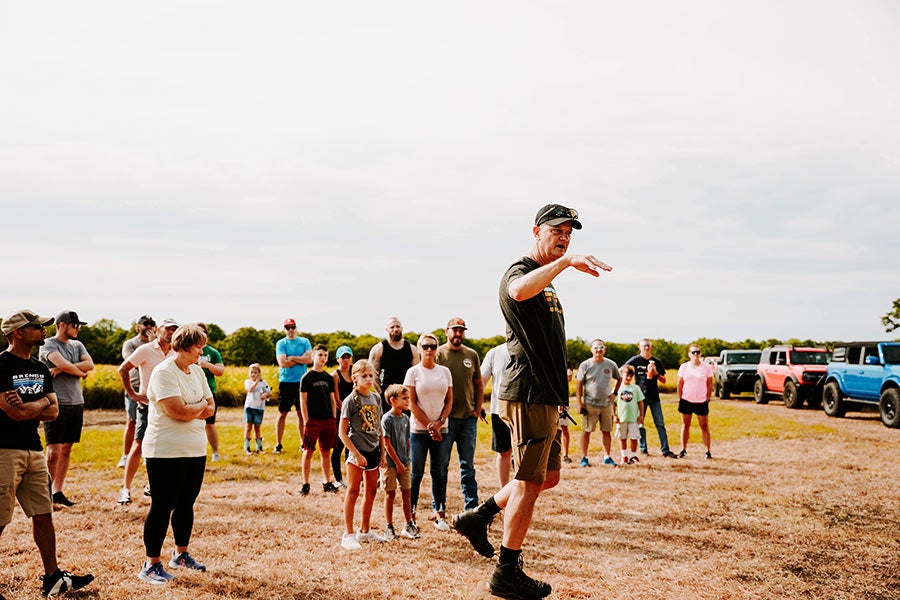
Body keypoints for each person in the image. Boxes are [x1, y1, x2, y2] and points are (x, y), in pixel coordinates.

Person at [452, 203, 611, 599]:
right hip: (528, 393)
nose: (564, 237)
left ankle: (481, 515)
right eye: (557, 230)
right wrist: (568, 262)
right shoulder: (520, 271)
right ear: (536, 231)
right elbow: (518, 290)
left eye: (569, 233)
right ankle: (507, 570)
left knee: (548, 477)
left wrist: (559, 398)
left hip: (547, 396)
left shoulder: (548, 280)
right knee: (527, 481)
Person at [0, 310, 96, 598]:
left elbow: (52, 412)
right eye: (36, 327)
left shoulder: (40, 367)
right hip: (4, 450)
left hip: (33, 449)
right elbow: (13, 413)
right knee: (0, 520)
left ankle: (52, 577)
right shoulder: (1, 365)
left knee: (44, 515)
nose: (44, 330)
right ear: (17, 333)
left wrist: (34, 403)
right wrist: (39, 404)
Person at [137, 324, 215, 585]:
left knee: (186, 503)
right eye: (197, 346)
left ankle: (180, 554)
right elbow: (177, 411)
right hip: (165, 451)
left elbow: (211, 406)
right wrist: (198, 407)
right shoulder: (163, 373)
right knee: (162, 505)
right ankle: (151, 564)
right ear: (182, 346)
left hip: (195, 448)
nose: (201, 351)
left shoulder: (197, 371)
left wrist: (196, 407)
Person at [117, 319, 177, 506]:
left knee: (164, 447)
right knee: (139, 444)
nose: (171, 333)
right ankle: (125, 489)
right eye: (168, 329)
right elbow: (123, 369)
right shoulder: (145, 349)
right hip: (147, 404)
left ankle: (152, 484)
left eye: (175, 330)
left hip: (168, 406)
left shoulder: (177, 352)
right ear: (159, 330)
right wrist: (132, 393)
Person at [39, 310, 93, 508]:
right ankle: (44, 494)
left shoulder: (78, 345)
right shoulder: (48, 344)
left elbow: (91, 364)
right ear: (62, 325)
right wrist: (78, 371)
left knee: (67, 448)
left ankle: (57, 491)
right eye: (75, 325)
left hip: (75, 402)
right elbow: (62, 362)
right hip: (55, 403)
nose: (78, 329)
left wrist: (63, 369)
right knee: (53, 451)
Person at [404, 332, 453, 533]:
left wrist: (439, 423)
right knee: (416, 473)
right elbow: (411, 403)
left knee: (439, 471)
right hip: (418, 430)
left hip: (442, 427)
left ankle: (439, 512)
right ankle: (411, 515)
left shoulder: (445, 371)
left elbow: (449, 400)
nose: (429, 350)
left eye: (433, 346)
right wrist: (429, 425)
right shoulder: (413, 372)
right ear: (419, 348)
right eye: (425, 346)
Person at [436, 317, 483, 512]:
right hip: (446, 420)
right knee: (441, 466)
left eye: (461, 330)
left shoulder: (471, 355)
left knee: (468, 466)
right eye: (454, 330)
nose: (458, 334)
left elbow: (478, 383)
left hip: (468, 419)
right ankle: (439, 507)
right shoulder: (438, 354)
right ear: (447, 331)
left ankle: (471, 507)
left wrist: (478, 407)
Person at [338, 360, 385, 550]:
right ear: (354, 378)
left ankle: (364, 531)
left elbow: (379, 428)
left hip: (374, 451)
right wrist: (356, 454)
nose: (368, 379)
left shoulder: (376, 398)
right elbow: (342, 433)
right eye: (364, 376)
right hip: (357, 453)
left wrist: (382, 453)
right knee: (353, 491)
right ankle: (348, 534)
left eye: (370, 375)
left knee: (371, 491)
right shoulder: (350, 401)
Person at [625, 339, 679, 458]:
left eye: (648, 346)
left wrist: (655, 374)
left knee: (660, 423)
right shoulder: (635, 360)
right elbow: (623, 370)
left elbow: (664, 380)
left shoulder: (656, 361)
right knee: (640, 423)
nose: (646, 348)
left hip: (654, 397)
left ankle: (665, 450)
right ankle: (643, 449)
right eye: (644, 346)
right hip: (640, 398)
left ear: (651, 347)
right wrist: (629, 385)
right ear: (640, 347)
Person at [300, 345, 339, 495]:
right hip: (313, 420)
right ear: (313, 357)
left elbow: (332, 399)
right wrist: (306, 420)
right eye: (320, 355)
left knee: (326, 452)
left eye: (325, 355)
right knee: (308, 451)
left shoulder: (328, 378)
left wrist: (334, 418)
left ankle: (327, 481)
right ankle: (305, 483)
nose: (322, 358)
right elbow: (303, 401)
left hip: (328, 419)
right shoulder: (307, 378)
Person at [576, 339, 622, 467]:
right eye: (596, 348)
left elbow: (619, 378)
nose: (598, 350)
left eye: (601, 347)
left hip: (606, 404)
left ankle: (607, 456)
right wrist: (580, 403)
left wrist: (615, 393)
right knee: (587, 431)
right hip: (590, 404)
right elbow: (579, 384)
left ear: (604, 349)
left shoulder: (610, 364)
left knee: (606, 431)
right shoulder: (585, 365)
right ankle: (584, 457)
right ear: (591, 350)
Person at [118, 315, 156, 468]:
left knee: (152, 424)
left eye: (151, 324)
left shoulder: (158, 343)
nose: (148, 326)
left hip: (152, 390)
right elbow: (131, 362)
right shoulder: (131, 344)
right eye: (145, 324)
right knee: (132, 422)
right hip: (134, 387)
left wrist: (153, 343)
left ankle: (147, 454)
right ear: (138, 326)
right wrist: (150, 345)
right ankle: (126, 455)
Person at [381, 384, 417, 540]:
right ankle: (389, 526)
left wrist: (407, 459)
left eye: (408, 398)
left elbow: (407, 440)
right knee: (390, 493)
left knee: (406, 492)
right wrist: (397, 463)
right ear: (393, 400)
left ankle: (408, 523)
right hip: (391, 464)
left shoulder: (406, 418)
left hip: (405, 462)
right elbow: (387, 444)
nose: (408, 401)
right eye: (404, 398)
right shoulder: (387, 419)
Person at [274, 318, 312, 454]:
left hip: (302, 381)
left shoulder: (304, 341)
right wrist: (300, 359)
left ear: (296, 327)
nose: (290, 330)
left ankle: (303, 443)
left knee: (301, 413)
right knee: (282, 412)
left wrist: (291, 358)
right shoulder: (281, 343)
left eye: (292, 327)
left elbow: (310, 359)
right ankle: (278, 443)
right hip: (286, 381)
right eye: (288, 327)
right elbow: (282, 363)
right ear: (284, 329)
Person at [368, 317, 420, 412]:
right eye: (392, 327)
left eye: (397, 326)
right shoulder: (378, 349)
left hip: (407, 397)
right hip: (387, 398)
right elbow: (373, 374)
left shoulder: (413, 350)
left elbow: (417, 375)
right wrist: (381, 394)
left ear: (402, 328)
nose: (395, 329)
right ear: (387, 329)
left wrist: (412, 397)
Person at [481, 342, 513, 487]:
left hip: (525, 410)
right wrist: (479, 403)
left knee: (523, 453)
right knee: (503, 452)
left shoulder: (530, 347)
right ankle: (503, 489)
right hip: (499, 410)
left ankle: (520, 490)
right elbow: (482, 380)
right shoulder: (495, 353)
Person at [677, 345, 714, 459]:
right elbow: (679, 383)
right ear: (689, 354)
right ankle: (683, 449)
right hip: (686, 400)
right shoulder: (684, 367)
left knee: (704, 426)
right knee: (685, 425)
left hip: (701, 401)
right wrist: (681, 397)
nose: (695, 355)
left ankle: (707, 451)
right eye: (693, 352)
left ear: (700, 354)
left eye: (697, 352)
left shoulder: (706, 367)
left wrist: (707, 397)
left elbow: (709, 383)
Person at [196, 323, 225, 462]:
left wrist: (208, 365)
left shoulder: (212, 352)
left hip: (209, 391)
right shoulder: (187, 350)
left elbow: (220, 371)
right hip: (192, 392)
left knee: (210, 423)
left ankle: (215, 452)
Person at [330, 345, 355, 488]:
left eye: (348, 357)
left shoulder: (354, 373)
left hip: (354, 413)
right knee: (339, 446)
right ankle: (338, 478)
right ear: (338, 359)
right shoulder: (335, 376)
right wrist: (346, 413)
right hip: (342, 413)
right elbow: (337, 399)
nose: (345, 360)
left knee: (351, 446)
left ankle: (351, 476)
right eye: (343, 357)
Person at [614, 365, 645, 465]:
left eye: (631, 376)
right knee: (622, 437)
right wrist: (614, 415)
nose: (628, 378)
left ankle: (633, 455)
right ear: (621, 375)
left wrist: (641, 415)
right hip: (621, 418)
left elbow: (640, 402)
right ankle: (624, 456)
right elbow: (613, 403)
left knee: (634, 437)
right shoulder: (617, 388)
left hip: (633, 418)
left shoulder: (635, 388)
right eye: (627, 375)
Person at [243, 363, 271, 454]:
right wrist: (256, 382)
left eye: (255, 372)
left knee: (257, 427)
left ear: (259, 373)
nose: (253, 374)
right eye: (251, 372)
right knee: (248, 426)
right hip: (249, 407)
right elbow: (250, 389)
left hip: (259, 408)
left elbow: (268, 393)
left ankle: (259, 447)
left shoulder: (264, 383)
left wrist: (265, 395)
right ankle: (247, 447)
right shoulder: (248, 382)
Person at [559, 366, 575, 464]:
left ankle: (565, 454)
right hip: (550, 402)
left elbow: (569, 376)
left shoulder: (566, 363)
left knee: (564, 428)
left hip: (563, 402)